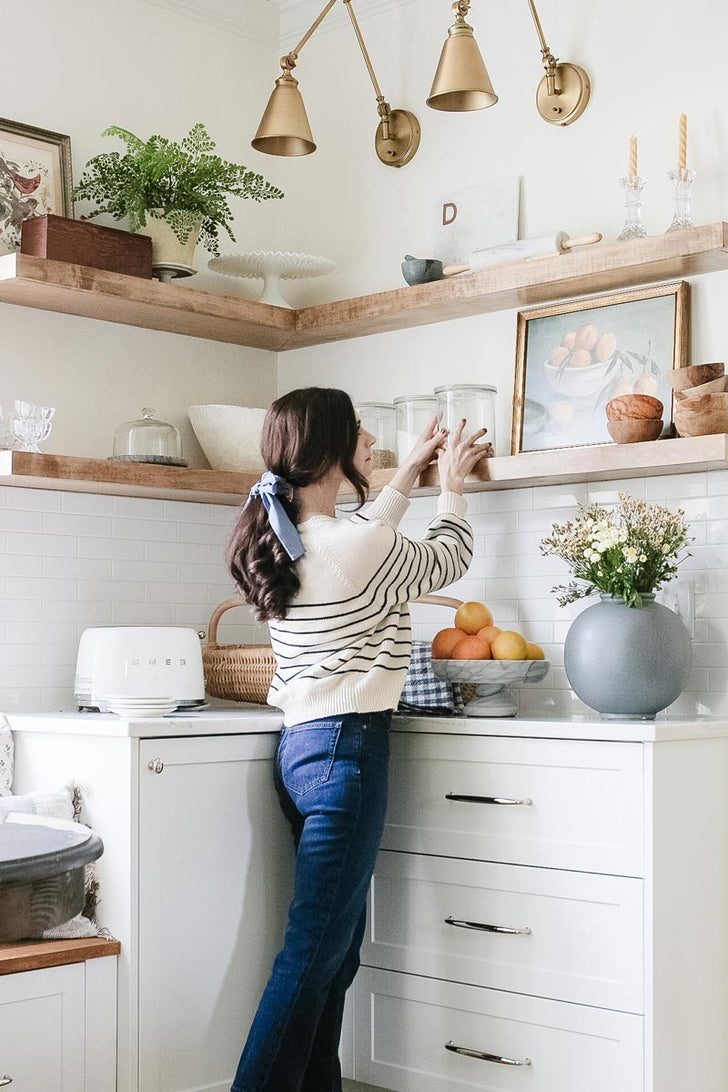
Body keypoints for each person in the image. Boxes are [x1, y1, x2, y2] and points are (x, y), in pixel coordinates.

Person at [226, 386, 488, 1092]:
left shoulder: (295, 538)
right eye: (360, 433)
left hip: (301, 753)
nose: (373, 442)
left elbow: (368, 536)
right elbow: (446, 558)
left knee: (331, 955)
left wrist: (406, 478)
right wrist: (454, 486)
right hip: (349, 753)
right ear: (332, 452)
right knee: (314, 955)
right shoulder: (356, 544)